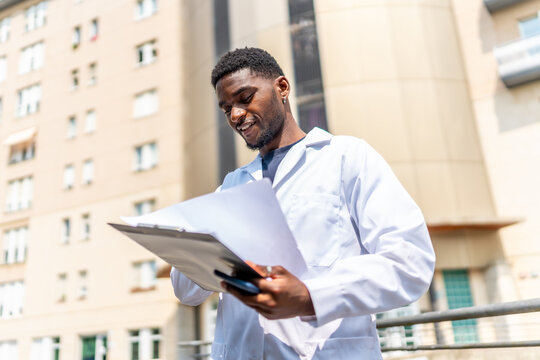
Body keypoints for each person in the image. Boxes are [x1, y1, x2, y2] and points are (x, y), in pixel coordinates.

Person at [171, 47, 435, 359]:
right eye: (226, 108)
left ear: (281, 88)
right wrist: (197, 245)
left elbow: (409, 262)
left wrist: (310, 296)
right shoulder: (231, 187)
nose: (236, 115)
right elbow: (187, 292)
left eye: (245, 98)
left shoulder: (347, 157)